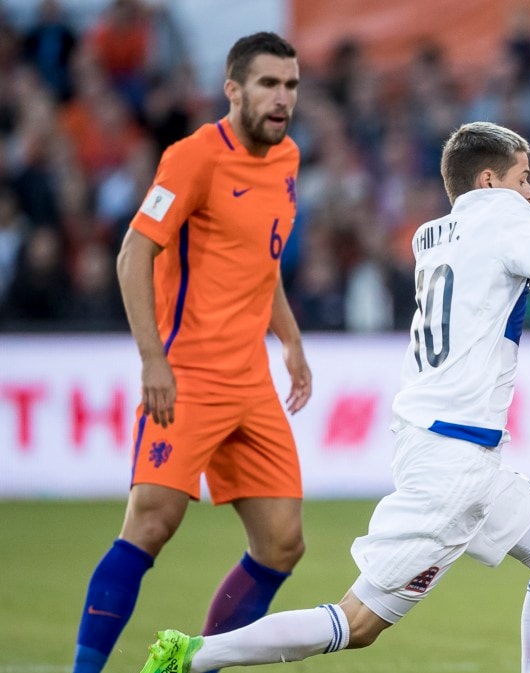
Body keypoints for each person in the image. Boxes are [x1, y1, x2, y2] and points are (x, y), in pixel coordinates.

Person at [137, 121, 530, 673]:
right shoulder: (505, 222)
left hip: (444, 445)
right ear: (488, 181)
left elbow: (501, 249)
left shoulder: (430, 236)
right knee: (356, 623)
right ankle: (195, 655)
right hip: (454, 465)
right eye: (522, 179)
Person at [72, 32, 311, 673]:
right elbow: (133, 254)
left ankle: (191, 665)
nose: (283, 97)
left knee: (282, 542)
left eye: (291, 85)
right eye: (268, 84)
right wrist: (153, 359)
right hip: (188, 376)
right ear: (233, 89)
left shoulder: (288, 158)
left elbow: (262, 261)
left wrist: (290, 340)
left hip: (251, 381)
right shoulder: (194, 157)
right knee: (151, 523)